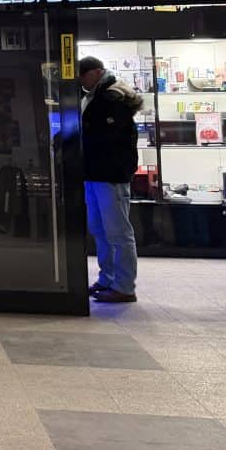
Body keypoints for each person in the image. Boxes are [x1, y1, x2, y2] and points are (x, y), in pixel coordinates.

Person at [78, 56, 144, 303]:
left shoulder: (112, 98)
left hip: (111, 174)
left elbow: (105, 135)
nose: (81, 81)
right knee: (100, 229)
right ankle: (107, 278)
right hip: (94, 172)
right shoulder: (94, 96)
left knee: (118, 232)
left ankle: (125, 286)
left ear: (95, 72)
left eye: (83, 76)